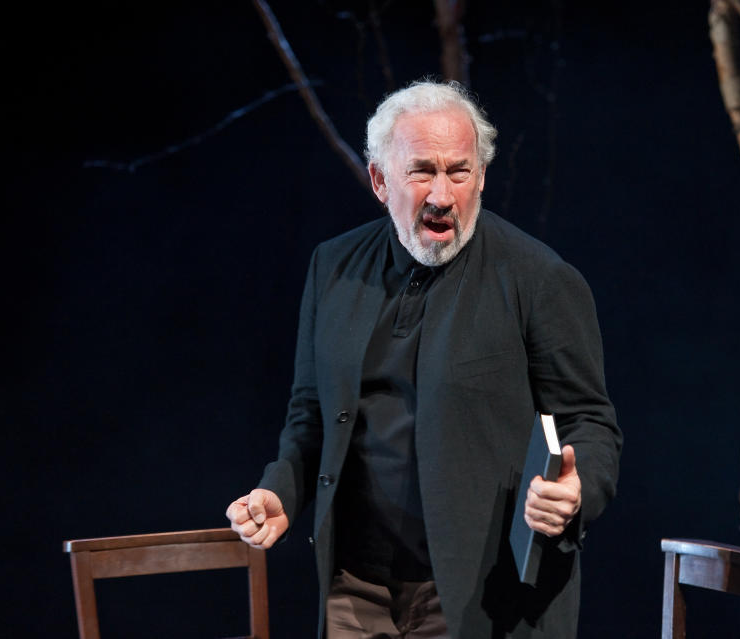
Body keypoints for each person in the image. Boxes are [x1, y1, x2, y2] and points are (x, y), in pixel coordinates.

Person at [226, 80, 621, 639]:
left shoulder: (539, 279)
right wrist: (281, 489)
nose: (442, 194)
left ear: (481, 178)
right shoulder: (334, 267)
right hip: (355, 585)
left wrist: (578, 492)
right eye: (421, 172)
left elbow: (590, 419)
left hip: (481, 594)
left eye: (459, 172)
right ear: (380, 181)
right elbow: (311, 412)